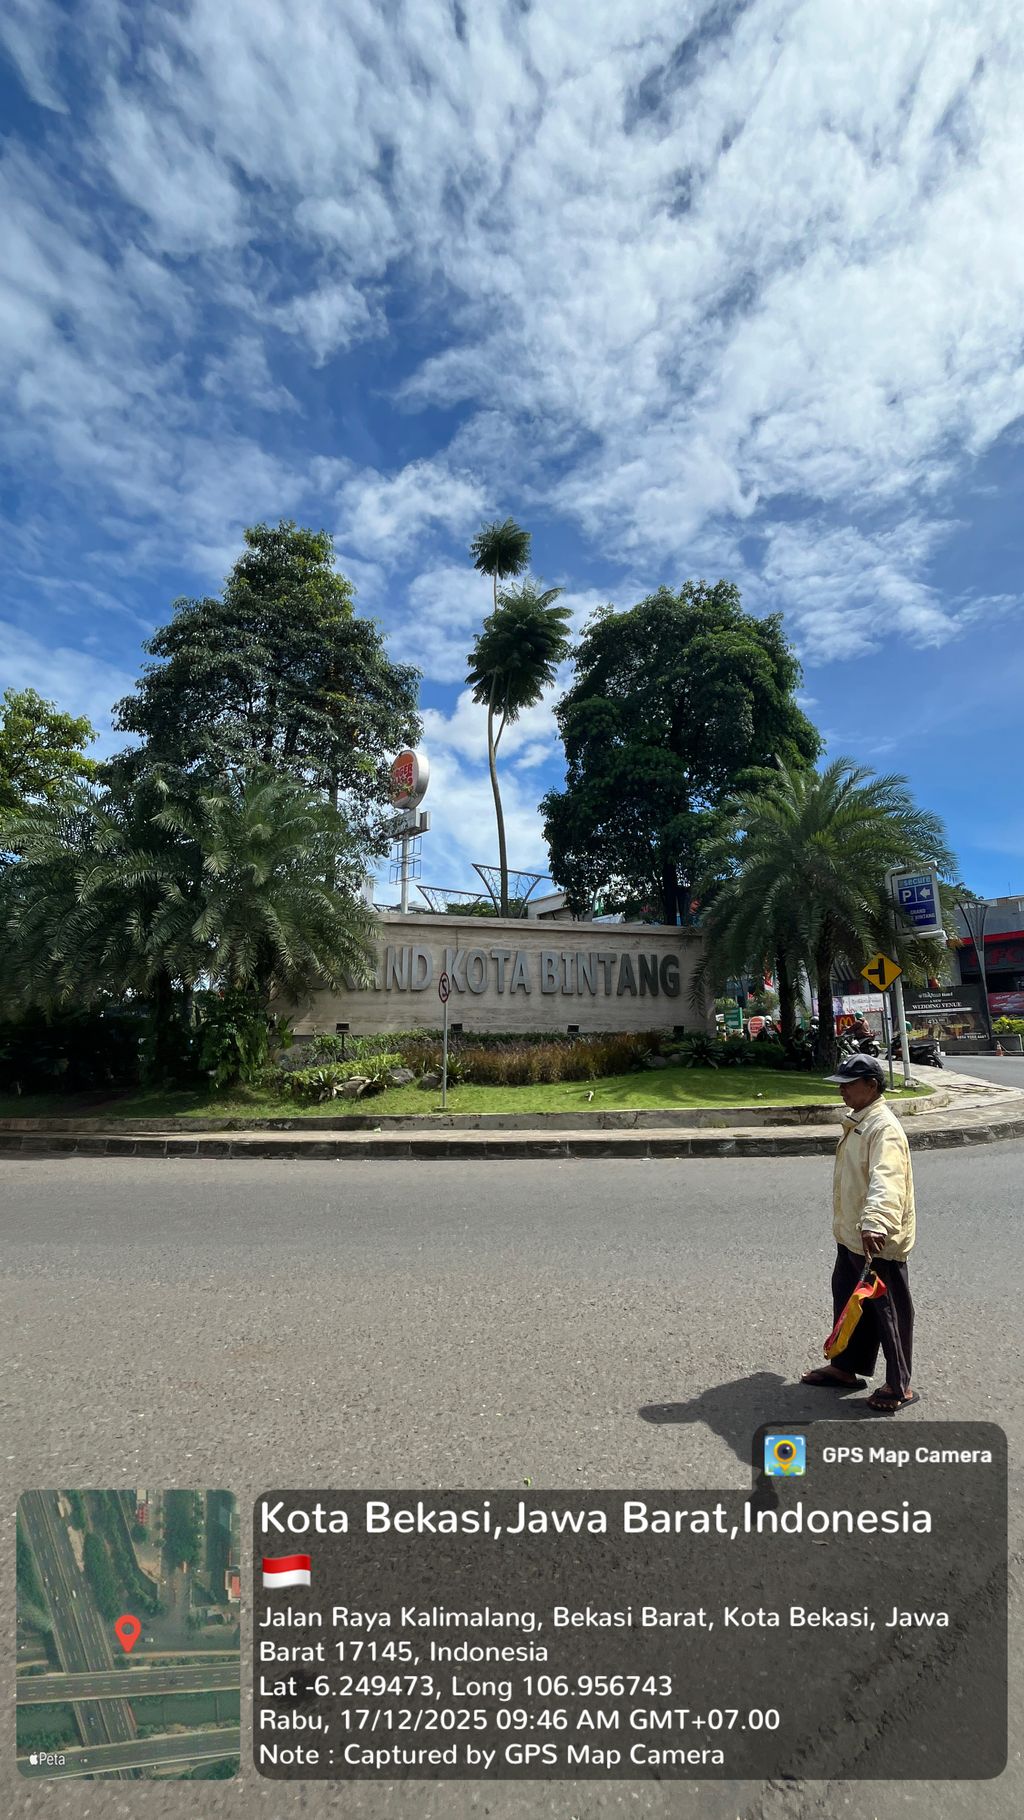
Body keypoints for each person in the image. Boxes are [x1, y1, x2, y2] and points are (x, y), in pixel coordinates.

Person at [800, 1055, 918, 1412]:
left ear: (872, 1085)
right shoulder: (859, 1122)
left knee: (888, 1312)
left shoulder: (883, 1128)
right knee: (850, 1303)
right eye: (841, 1083)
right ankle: (845, 1368)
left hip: (876, 1240)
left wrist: (876, 1222)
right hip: (854, 1236)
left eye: (849, 1084)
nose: (842, 1090)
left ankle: (899, 1386)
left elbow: (888, 1180)